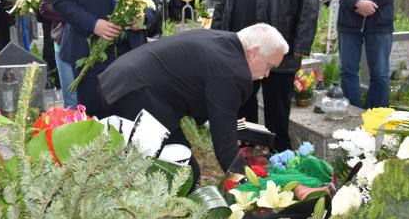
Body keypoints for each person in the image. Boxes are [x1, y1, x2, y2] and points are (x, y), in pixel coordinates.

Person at [98, 24, 288, 181]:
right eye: (269, 66)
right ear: (254, 52)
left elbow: (200, 91)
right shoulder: (233, 73)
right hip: (134, 93)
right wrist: (249, 183)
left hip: (120, 80)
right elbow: (225, 146)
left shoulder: (226, 42)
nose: (267, 74)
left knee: (164, 166)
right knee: (183, 172)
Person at [211, 0, 318, 152]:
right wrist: (218, 37)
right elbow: (223, 0)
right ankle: (248, 155)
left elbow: (310, 3)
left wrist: (301, 45)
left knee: (277, 110)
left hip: (282, 50)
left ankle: (279, 156)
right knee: (243, 108)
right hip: (242, 50)